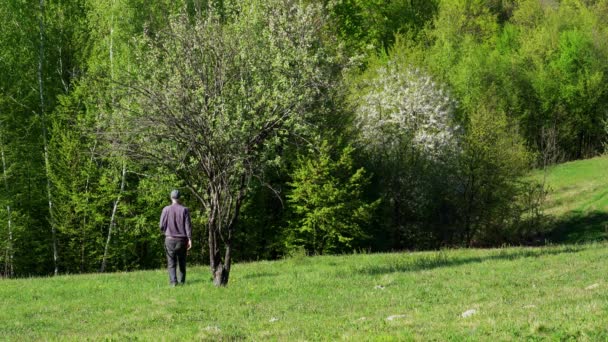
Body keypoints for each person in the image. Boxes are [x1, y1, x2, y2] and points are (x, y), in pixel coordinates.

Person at [159, 189, 192, 286]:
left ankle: (173, 283)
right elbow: (188, 226)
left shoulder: (166, 209)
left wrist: (166, 231)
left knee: (171, 262)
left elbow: (161, 225)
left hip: (169, 239)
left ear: (171, 197)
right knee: (182, 262)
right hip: (182, 239)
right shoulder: (184, 210)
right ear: (179, 198)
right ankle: (182, 282)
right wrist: (189, 238)